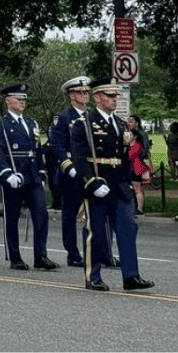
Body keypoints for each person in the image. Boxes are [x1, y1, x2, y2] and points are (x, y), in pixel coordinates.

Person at [70, 78, 154, 292]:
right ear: (98, 97)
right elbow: (79, 158)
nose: (114, 99)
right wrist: (91, 181)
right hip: (98, 182)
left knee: (128, 227)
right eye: (110, 96)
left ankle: (131, 276)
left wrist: (135, 172)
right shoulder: (84, 123)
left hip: (119, 184)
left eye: (115, 96)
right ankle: (93, 276)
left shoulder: (120, 124)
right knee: (96, 231)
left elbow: (123, 157)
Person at [0, 84, 56, 271]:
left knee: (41, 214)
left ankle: (41, 256)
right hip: (14, 174)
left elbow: (37, 149)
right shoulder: (0, 123)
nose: (22, 102)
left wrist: (41, 172)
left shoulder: (31, 123)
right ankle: (15, 257)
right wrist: (6, 173)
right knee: (12, 217)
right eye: (18, 99)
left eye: (24, 99)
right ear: (8, 101)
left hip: (32, 175)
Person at [51, 76, 103, 268]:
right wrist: (70, 168)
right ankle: (72, 253)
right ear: (72, 96)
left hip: (91, 172)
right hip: (71, 173)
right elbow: (57, 146)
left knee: (96, 213)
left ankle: (100, 252)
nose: (85, 95)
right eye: (81, 92)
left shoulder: (93, 116)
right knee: (70, 214)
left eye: (87, 92)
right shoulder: (63, 117)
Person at [124, 129, 152, 216]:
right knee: (133, 188)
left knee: (137, 188)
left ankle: (139, 208)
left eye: (130, 135)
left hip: (136, 168)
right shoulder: (130, 145)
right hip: (130, 168)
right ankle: (134, 206)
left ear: (135, 136)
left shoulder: (137, 145)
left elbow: (130, 156)